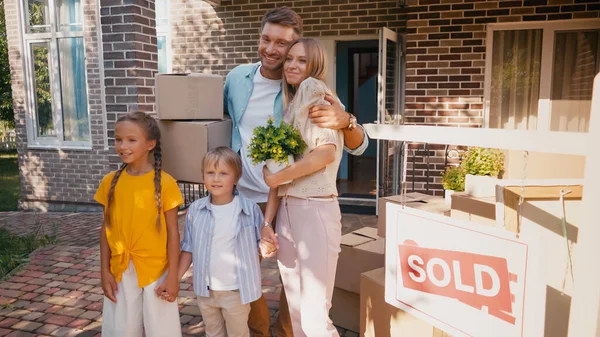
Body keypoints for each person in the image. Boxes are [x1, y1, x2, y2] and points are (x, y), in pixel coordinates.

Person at [223, 7, 369, 336]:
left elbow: (352, 146)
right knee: (249, 275)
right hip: (255, 195)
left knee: (306, 303)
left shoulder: (311, 92)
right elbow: (217, 124)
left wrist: (346, 120)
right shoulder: (235, 80)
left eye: (286, 48)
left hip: (300, 198)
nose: (274, 51)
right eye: (266, 40)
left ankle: (287, 332)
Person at [261, 37, 344, 337]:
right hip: (286, 211)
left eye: (302, 60)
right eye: (289, 59)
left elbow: (326, 153)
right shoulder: (291, 106)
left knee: (314, 318)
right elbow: (277, 177)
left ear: (315, 66)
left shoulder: (315, 94)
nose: (292, 66)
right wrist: (267, 223)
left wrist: (280, 177)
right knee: (296, 313)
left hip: (315, 209)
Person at [95, 111, 183, 337]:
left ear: (150, 144)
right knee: (121, 329)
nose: (123, 146)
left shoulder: (166, 183)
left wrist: (172, 276)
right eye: (118, 139)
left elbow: (173, 233)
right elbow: (106, 231)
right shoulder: (109, 183)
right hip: (120, 270)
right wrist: (104, 270)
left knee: (162, 330)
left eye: (131, 140)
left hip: (157, 270)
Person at [177, 147, 273, 337]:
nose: (216, 178)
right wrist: (175, 278)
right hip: (207, 291)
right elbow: (188, 247)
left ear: (236, 178)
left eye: (223, 173)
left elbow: (259, 245)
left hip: (236, 292)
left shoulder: (249, 209)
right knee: (213, 333)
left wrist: (266, 246)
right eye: (210, 173)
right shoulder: (196, 210)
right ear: (203, 176)